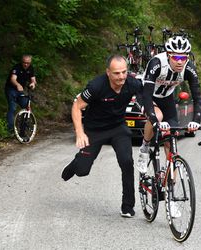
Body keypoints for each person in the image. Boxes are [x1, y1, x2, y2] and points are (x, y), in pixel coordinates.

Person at [61, 55, 143, 218]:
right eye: (116, 73)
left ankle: (127, 206)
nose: (121, 77)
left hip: (118, 128)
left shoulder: (132, 83)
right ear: (108, 72)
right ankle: (77, 163)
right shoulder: (96, 86)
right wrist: (80, 132)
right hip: (95, 130)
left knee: (127, 162)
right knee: (82, 171)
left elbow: (144, 98)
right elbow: (77, 106)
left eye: (124, 72)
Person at [136, 35, 201, 172]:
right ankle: (144, 147)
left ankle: (170, 184)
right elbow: (147, 96)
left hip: (166, 98)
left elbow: (197, 97)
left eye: (183, 58)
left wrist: (196, 120)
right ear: (168, 55)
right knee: (158, 116)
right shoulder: (157, 63)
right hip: (147, 95)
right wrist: (155, 121)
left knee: (171, 141)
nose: (180, 62)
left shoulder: (189, 68)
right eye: (176, 58)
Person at [5, 55, 37, 133]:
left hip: (20, 91)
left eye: (28, 63)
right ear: (21, 61)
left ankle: (22, 130)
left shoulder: (30, 68)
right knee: (12, 108)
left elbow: (33, 79)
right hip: (11, 89)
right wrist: (17, 84)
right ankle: (11, 130)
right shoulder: (17, 67)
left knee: (26, 106)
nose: (26, 64)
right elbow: (13, 79)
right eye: (24, 63)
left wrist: (33, 83)